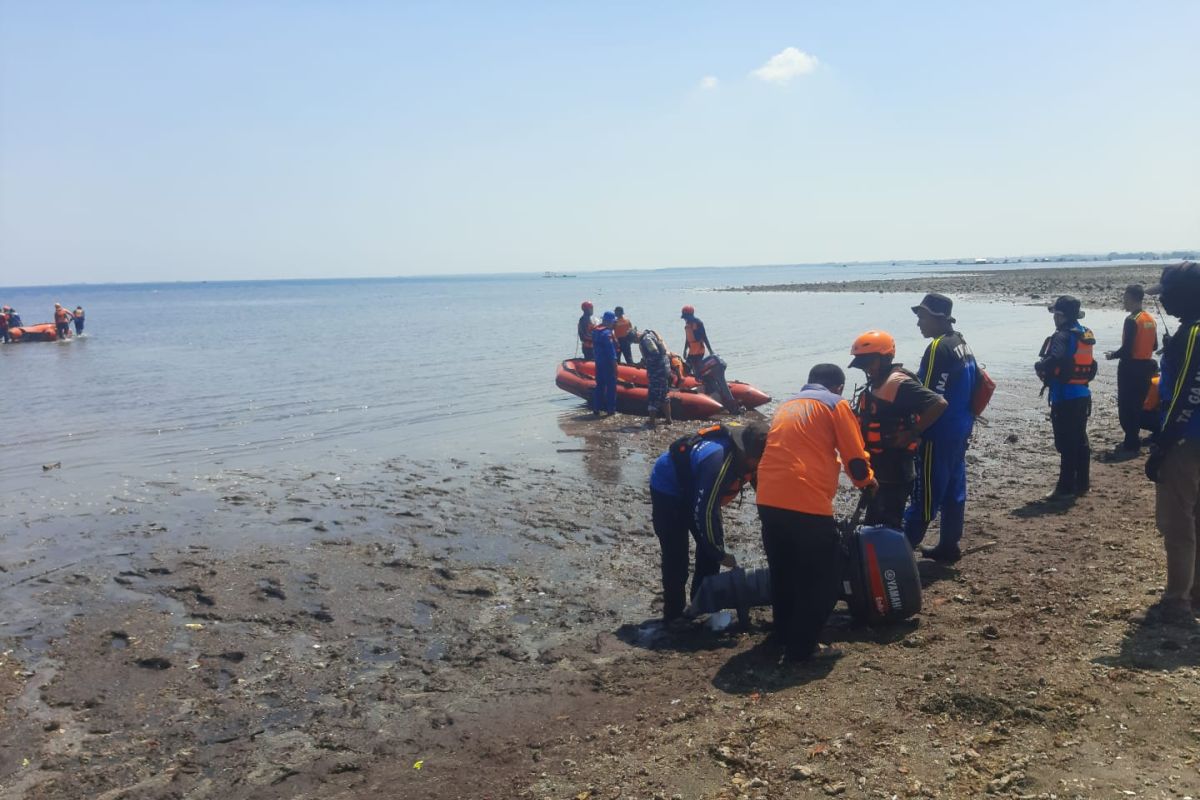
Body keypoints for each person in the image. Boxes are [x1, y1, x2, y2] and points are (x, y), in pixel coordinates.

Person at [755, 363, 877, 661]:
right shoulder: (836, 404)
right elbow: (855, 459)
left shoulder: (787, 405)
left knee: (784, 571)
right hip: (805, 499)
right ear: (838, 387)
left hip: (768, 497)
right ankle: (803, 647)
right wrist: (867, 482)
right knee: (823, 575)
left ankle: (782, 634)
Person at [649, 421, 770, 621]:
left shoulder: (756, 462)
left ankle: (700, 605)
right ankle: (673, 615)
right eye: (758, 461)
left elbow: (765, 497)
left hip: (699, 489)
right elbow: (705, 511)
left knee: (709, 552)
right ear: (746, 455)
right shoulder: (719, 461)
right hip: (668, 489)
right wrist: (720, 553)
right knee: (676, 556)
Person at [1143, 262, 1200, 625]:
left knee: (1177, 521)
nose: (1163, 302)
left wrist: (1163, 443)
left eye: (1166, 294)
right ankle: (1194, 593)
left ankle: (1177, 601)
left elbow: (1188, 394)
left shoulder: (1193, 334)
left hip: (1187, 439)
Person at [904, 293, 980, 562]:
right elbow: (978, 382)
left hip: (938, 432)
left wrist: (915, 430)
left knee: (925, 495)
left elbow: (930, 397)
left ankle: (899, 552)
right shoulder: (961, 342)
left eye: (922, 317)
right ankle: (949, 546)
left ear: (937, 317)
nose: (919, 324)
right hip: (960, 428)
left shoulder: (937, 347)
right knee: (953, 490)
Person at [848, 330, 946, 531]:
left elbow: (939, 403)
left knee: (887, 523)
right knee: (874, 520)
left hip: (896, 468)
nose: (867, 369)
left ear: (886, 358)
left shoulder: (898, 383)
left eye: (870, 363)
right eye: (863, 365)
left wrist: (913, 432)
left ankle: (889, 559)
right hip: (879, 466)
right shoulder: (878, 381)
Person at [1035, 295, 1097, 501]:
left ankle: (1064, 487)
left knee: (1065, 443)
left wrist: (1041, 367)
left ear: (1060, 316)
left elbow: (1055, 358)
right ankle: (1083, 483)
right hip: (1083, 394)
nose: (1053, 318)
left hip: (1065, 396)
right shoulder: (1084, 332)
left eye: (1055, 314)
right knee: (1080, 439)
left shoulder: (1061, 335)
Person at [1105, 284, 1158, 456]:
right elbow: (1155, 345)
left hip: (1131, 367)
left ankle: (1131, 441)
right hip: (1147, 366)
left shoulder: (1131, 320)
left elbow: (1127, 350)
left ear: (1132, 298)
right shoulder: (1150, 319)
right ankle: (1134, 439)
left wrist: (1112, 355)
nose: (1123, 302)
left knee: (1126, 406)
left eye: (1125, 298)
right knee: (1138, 404)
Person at [638, 329, 673, 427]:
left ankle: (652, 422)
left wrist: (647, 362)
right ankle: (668, 419)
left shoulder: (646, 340)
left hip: (657, 371)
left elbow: (655, 352)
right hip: (663, 369)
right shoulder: (651, 336)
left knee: (653, 395)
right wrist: (642, 362)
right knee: (664, 394)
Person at [591, 311, 619, 416]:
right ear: (610, 322)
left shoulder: (595, 332)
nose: (614, 324)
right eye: (613, 322)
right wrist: (615, 366)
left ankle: (596, 408)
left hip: (598, 363)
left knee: (600, 386)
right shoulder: (607, 334)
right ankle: (610, 410)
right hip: (608, 364)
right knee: (611, 387)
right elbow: (611, 353)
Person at [680, 305, 714, 377]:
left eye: (686, 317)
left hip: (699, 350)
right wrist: (685, 350)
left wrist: (710, 350)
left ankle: (701, 381)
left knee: (693, 368)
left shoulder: (698, 323)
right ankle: (694, 381)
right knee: (688, 368)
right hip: (692, 350)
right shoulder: (688, 324)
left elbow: (704, 337)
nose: (685, 319)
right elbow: (688, 338)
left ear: (691, 315)